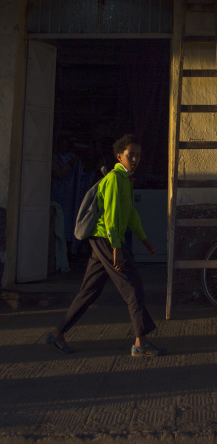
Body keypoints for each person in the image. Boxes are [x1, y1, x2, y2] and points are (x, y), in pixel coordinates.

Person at [45, 134, 166, 357]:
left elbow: (129, 214)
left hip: (106, 240)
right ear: (119, 156)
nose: (135, 159)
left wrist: (145, 239)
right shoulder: (114, 179)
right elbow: (111, 216)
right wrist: (116, 248)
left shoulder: (127, 180)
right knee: (133, 288)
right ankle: (141, 343)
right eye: (131, 155)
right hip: (105, 239)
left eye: (138, 155)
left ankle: (57, 332)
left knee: (89, 291)